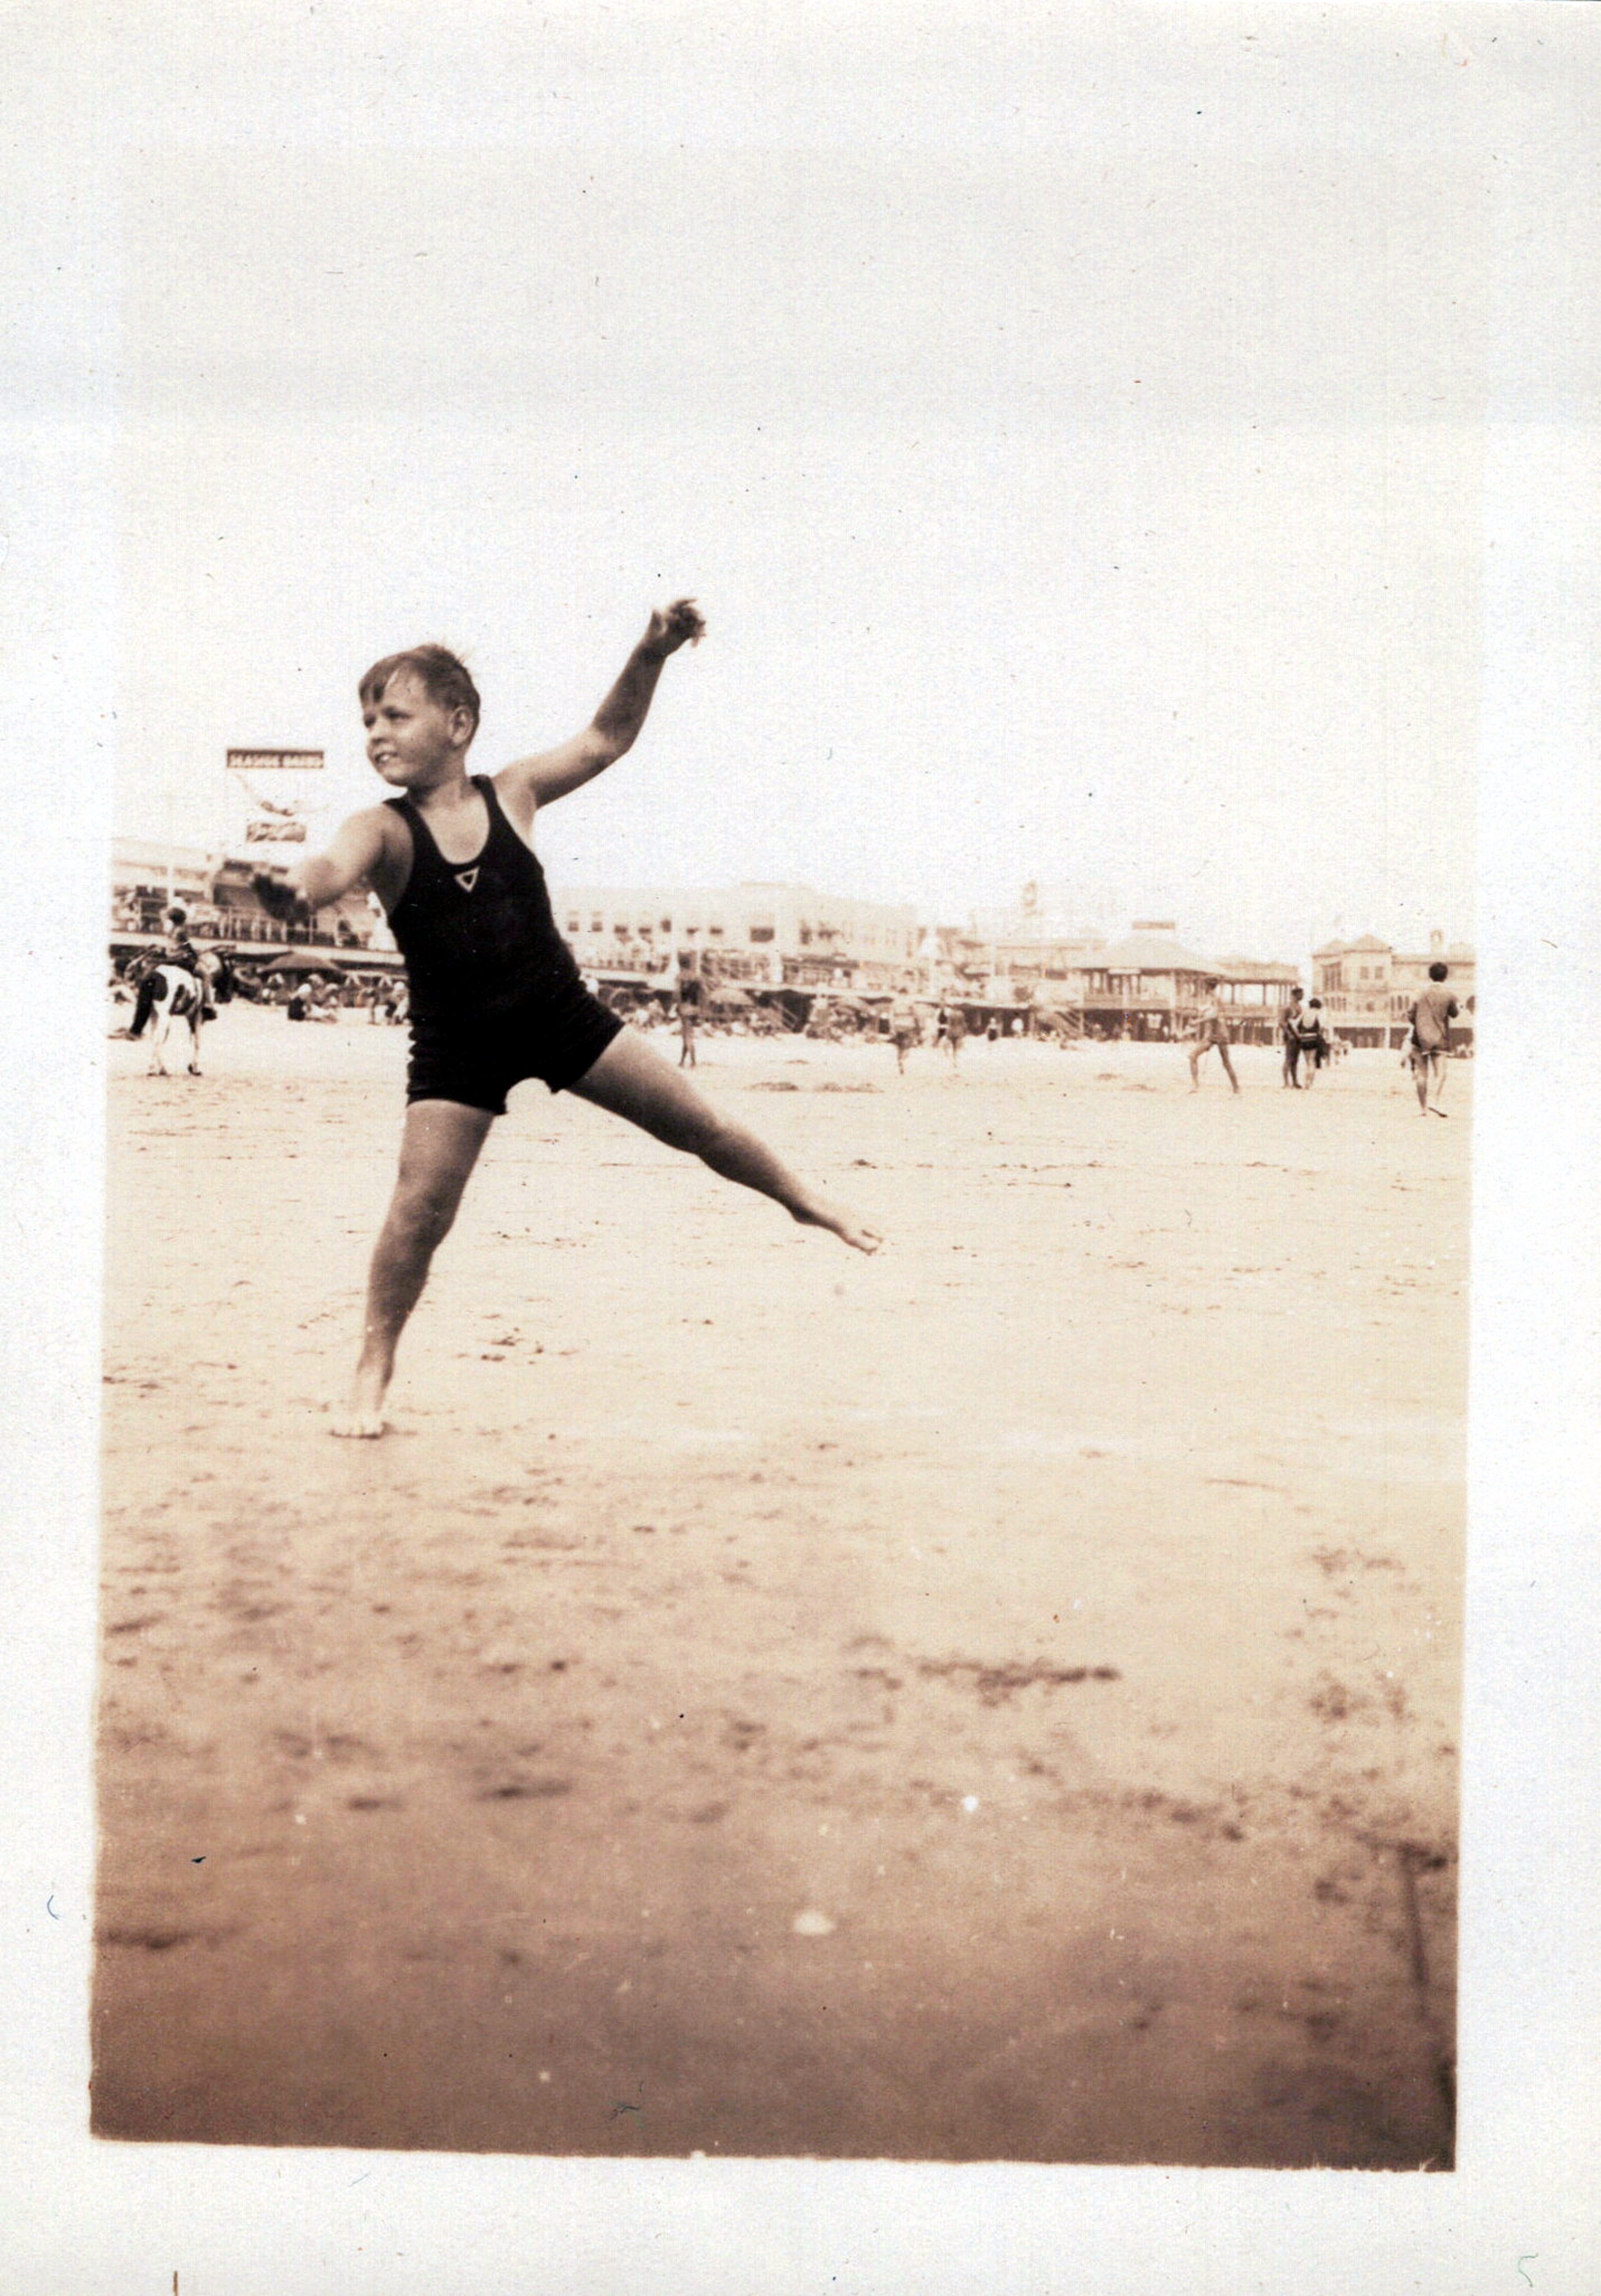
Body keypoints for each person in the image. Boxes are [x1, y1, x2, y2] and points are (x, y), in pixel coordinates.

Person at [289, 600, 880, 1438]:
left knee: (700, 1126)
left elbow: (606, 740)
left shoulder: (516, 793)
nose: (375, 733)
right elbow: (328, 868)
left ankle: (800, 1196)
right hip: (457, 1048)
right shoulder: (379, 828)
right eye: (366, 721)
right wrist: (295, 889)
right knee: (419, 1211)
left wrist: (652, 652)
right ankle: (373, 1364)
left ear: (457, 725)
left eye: (395, 714)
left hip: (561, 1018)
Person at [1407, 960, 1458, 1117]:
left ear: (1430, 976)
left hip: (1419, 1039)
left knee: (1422, 1074)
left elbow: (1410, 1013)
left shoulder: (1419, 992)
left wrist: (1420, 1025)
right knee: (1441, 1073)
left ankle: (1423, 1109)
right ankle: (1434, 1102)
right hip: (1439, 1038)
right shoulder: (1450, 994)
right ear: (1445, 977)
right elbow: (1455, 1014)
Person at [1187, 978, 1241, 1094]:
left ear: (1208, 986)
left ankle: (1236, 1088)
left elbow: (1214, 1016)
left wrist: (1197, 1021)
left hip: (1220, 1034)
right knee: (1193, 1056)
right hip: (1210, 1035)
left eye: (1203, 986)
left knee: (1226, 1063)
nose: (1201, 988)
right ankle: (1195, 1085)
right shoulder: (1207, 1000)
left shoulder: (1216, 999)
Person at [886, 983, 920, 1074]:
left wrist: (892, 1028)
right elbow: (916, 1014)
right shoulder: (910, 1001)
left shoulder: (894, 1002)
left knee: (899, 1047)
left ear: (899, 993)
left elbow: (891, 1016)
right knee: (908, 1047)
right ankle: (903, 1060)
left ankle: (899, 1060)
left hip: (897, 1025)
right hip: (908, 1025)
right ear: (906, 993)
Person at [675, 958, 704, 1069]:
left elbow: (677, 994)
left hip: (685, 1007)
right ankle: (682, 1061)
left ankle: (693, 1062)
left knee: (687, 1036)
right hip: (695, 1008)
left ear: (680, 965)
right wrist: (701, 1009)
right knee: (688, 1034)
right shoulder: (697, 977)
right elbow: (704, 992)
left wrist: (678, 1007)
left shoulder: (680, 977)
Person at [1295, 995, 1329, 1085]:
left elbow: (1296, 1024)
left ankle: (1306, 1080)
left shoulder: (1305, 1013)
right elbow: (1322, 1027)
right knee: (1312, 1061)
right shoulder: (1318, 1013)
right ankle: (1309, 1082)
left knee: (1307, 1062)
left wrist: (1299, 1035)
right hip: (1314, 1038)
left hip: (1304, 1039)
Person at [1279, 985, 1306, 1088]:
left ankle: (1295, 1082)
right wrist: (1289, 1034)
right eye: (1301, 994)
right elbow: (1282, 1022)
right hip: (1290, 1036)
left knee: (1295, 1060)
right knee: (1289, 1059)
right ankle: (1286, 1082)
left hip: (1299, 1036)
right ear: (1295, 995)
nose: (1303, 996)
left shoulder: (1299, 1007)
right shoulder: (1287, 1007)